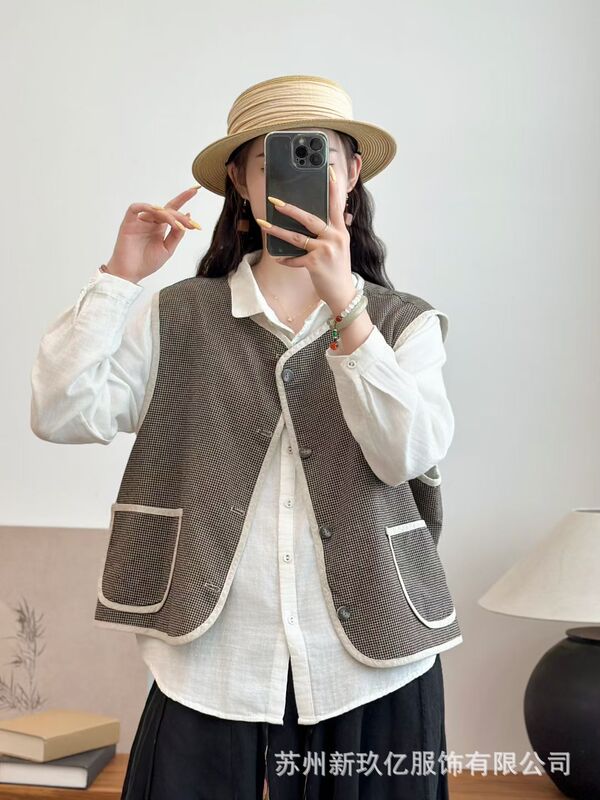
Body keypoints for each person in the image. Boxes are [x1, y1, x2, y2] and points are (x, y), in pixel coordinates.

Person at [30, 74, 462, 799]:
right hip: (209, 662)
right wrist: (119, 278)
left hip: (376, 665)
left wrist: (346, 308)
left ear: (353, 173)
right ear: (240, 181)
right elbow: (61, 412)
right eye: (271, 162)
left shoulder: (403, 323)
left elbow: (407, 454)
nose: (298, 178)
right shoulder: (179, 315)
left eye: (320, 157)